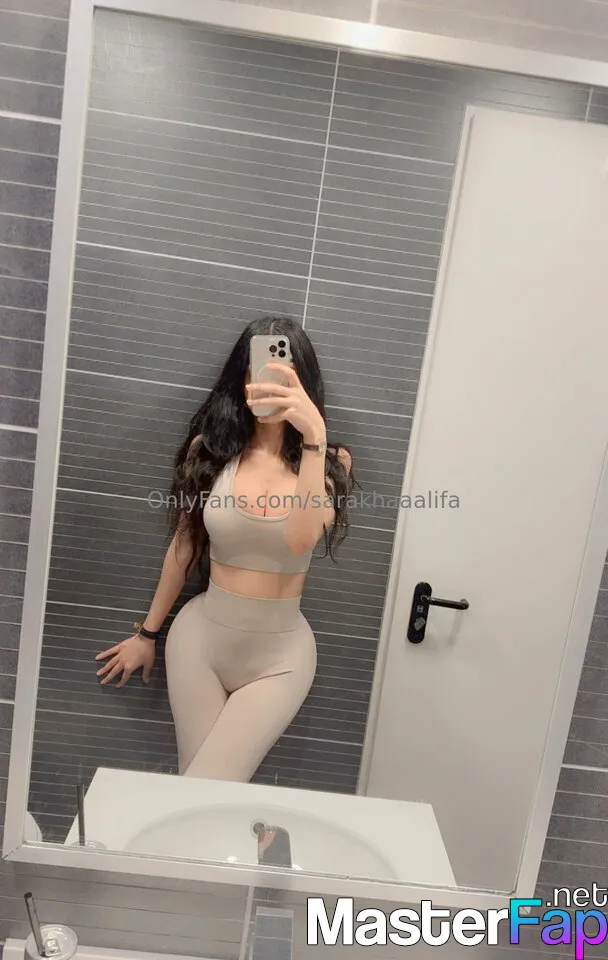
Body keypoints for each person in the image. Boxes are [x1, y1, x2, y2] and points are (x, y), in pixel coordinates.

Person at [95, 316, 355, 782]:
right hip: (200, 644)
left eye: (282, 375)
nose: (267, 385)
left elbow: (300, 540)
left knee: (208, 789)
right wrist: (147, 634)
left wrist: (314, 438)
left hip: (281, 660)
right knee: (198, 790)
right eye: (258, 370)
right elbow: (184, 546)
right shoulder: (212, 450)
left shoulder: (330, 462)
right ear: (242, 377)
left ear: (303, 384)